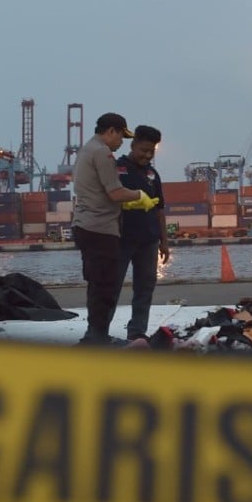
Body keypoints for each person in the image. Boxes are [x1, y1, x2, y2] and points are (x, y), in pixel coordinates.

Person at [71, 112, 159, 344]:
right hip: (103, 229)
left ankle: (99, 336)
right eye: (121, 136)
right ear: (111, 131)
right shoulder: (103, 154)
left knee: (100, 286)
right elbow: (115, 192)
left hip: (90, 226)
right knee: (105, 288)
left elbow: (101, 193)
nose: (121, 142)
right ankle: (97, 338)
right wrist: (138, 196)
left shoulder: (85, 151)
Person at [109, 125, 169, 341]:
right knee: (111, 288)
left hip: (148, 241)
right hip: (121, 240)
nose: (147, 155)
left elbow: (159, 209)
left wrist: (164, 242)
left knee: (145, 288)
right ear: (133, 145)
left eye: (151, 151)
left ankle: (137, 332)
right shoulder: (116, 169)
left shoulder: (153, 175)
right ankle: (99, 331)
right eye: (144, 150)